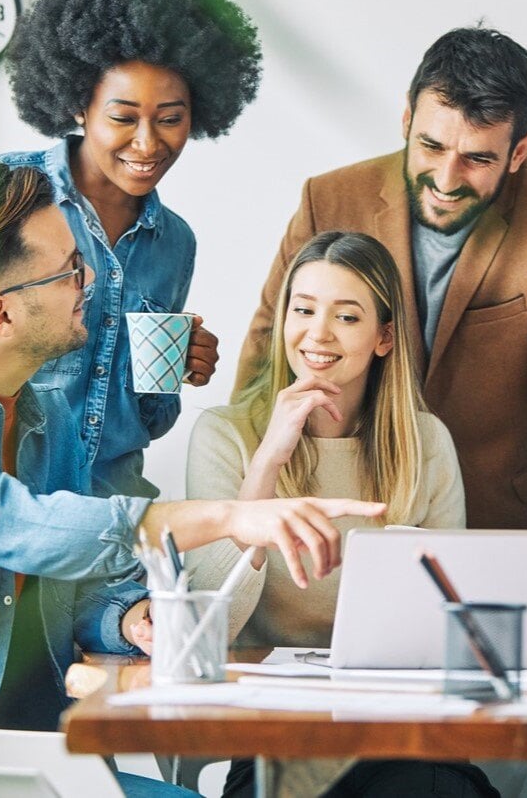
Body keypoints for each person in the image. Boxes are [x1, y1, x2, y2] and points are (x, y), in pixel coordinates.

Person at [0, 165, 385, 796]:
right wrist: (229, 517)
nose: (92, 280)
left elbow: (81, 585)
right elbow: (15, 523)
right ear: (1, 314)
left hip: (55, 764)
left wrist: (129, 618)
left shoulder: (48, 418)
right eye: (68, 270)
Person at [234, 26, 527, 642]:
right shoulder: (328, 199)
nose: (446, 177)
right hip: (342, 525)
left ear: (519, 150)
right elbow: (264, 365)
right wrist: (244, 515)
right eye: (431, 146)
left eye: (477, 158)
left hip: (501, 530)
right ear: (407, 118)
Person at [187, 230, 495, 797]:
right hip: (279, 736)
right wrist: (269, 461)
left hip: (404, 735)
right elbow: (212, 628)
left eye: (347, 317)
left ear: (384, 337)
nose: (318, 333)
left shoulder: (425, 443)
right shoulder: (225, 436)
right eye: (303, 310)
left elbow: (451, 628)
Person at [0, 0, 262, 498]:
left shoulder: (174, 242)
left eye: (170, 119)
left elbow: (144, 422)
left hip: (112, 519)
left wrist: (179, 371)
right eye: (123, 117)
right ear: (80, 105)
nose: (148, 144)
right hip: (9, 511)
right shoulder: (0, 194)